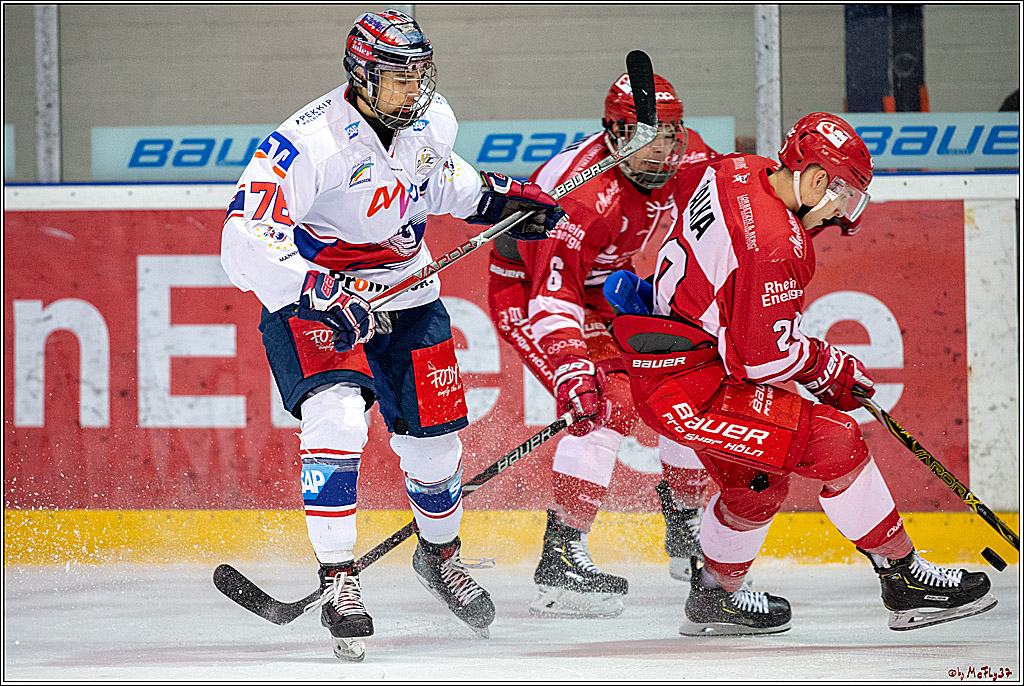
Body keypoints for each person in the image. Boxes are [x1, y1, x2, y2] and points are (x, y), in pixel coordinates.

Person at [220, 9, 565, 660]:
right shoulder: (305, 144)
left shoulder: (429, 123)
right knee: (338, 416)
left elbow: (442, 182)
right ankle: (338, 578)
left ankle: (439, 559)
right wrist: (316, 290)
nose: (416, 91)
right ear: (361, 77)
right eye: (400, 80)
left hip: (409, 296)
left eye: (420, 77)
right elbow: (241, 242)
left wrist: (500, 203)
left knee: (436, 452)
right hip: (320, 303)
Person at [605, 112, 997, 635]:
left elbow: (734, 305)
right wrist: (826, 365)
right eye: (844, 199)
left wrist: (807, 362)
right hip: (693, 384)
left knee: (755, 488)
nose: (841, 218)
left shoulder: (741, 169)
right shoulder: (776, 243)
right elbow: (762, 360)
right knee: (837, 440)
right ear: (815, 180)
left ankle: (715, 599)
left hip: (677, 363)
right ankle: (905, 579)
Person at [486, 71, 720, 618]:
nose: (665, 146)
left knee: (683, 381)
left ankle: (687, 526)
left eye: (673, 131)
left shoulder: (688, 161)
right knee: (604, 405)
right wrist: (572, 369)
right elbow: (553, 296)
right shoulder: (583, 196)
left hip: (606, 290)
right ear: (615, 135)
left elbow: (744, 190)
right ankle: (562, 555)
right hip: (532, 293)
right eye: (650, 134)